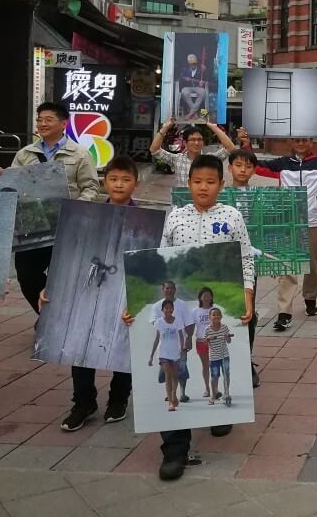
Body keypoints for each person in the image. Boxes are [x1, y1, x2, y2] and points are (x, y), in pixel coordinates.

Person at [147, 153, 255, 481]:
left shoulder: (232, 216)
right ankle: (175, 447)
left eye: (210, 182)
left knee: (218, 355)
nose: (203, 187)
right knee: (179, 360)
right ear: (188, 183)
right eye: (197, 181)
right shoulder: (175, 217)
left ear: (221, 184)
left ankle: (220, 409)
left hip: (219, 304)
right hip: (182, 306)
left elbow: (245, 257)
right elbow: (160, 258)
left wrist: (247, 295)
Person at [46, 155, 139, 431]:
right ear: (103, 182)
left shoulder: (145, 220)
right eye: (113, 179)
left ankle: (119, 399)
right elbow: (70, 252)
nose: (119, 184)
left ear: (135, 183)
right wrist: (51, 285)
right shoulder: (87, 216)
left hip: (125, 293)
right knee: (80, 343)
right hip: (89, 288)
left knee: (124, 344)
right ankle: (83, 401)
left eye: (125, 179)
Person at [256, 129, 317, 330]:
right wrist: (245, 145)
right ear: (292, 142)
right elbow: (255, 167)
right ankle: (284, 313)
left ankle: (310, 298)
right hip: (288, 224)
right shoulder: (282, 164)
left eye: (305, 140)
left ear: (311, 142)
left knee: (312, 267)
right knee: (287, 268)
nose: (301, 143)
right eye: (297, 140)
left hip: (314, 223)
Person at [10, 101, 100, 313]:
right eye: (39, 120)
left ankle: (59, 320)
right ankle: (48, 316)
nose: (42, 124)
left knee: (65, 275)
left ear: (63, 123)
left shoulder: (79, 154)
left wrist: (75, 209)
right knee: (27, 274)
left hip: (67, 226)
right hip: (34, 227)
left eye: (48, 120)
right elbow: (13, 184)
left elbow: (90, 187)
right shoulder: (25, 154)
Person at [226, 148, 262, 386]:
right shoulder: (221, 194)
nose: (243, 170)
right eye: (238, 165)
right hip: (223, 261)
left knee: (248, 311)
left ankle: (245, 360)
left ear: (254, 170)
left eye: (248, 166)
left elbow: (264, 226)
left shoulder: (258, 196)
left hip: (248, 262)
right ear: (230, 168)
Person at [150, 119, 237, 189]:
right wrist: (164, 128)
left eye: (199, 140)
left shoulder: (210, 159)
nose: (196, 143)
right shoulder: (177, 159)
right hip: (183, 202)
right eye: (192, 140)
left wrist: (214, 128)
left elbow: (231, 148)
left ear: (203, 142)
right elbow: (154, 150)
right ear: (185, 143)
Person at [148, 281, 195, 404]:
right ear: (163, 289)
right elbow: (155, 323)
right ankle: (170, 394)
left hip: (180, 344)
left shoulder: (183, 305)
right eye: (167, 288)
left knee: (182, 368)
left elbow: (189, 323)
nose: (169, 290)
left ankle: (182, 393)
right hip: (165, 345)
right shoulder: (156, 306)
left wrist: (189, 338)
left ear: (175, 290)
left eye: (171, 288)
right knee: (168, 372)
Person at [149, 300, 186, 412]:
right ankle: (170, 402)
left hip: (175, 353)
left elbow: (181, 336)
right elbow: (157, 339)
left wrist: (182, 350)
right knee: (168, 375)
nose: (168, 310)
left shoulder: (178, 321)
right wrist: (151, 356)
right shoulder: (159, 322)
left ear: (173, 309)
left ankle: (174, 395)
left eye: (170, 307)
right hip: (163, 353)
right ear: (162, 310)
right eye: (166, 308)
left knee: (175, 376)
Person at [205, 307, 233, 406]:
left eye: (218, 314)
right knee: (214, 376)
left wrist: (227, 337)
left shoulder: (224, 327)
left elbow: (229, 341)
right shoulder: (207, 329)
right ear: (209, 317)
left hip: (224, 355)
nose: (216, 316)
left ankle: (226, 392)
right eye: (214, 315)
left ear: (221, 316)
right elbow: (205, 342)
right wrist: (208, 338)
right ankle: (213, 395)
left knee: (226, 374)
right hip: (214, 357)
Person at [192, 288, 215, 401]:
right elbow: (191, 327)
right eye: (204, 296)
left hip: (214, 342)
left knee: (214, 365)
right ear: (200, 298)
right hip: (201, 341)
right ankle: (207, 388)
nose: (206, 298)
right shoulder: (195, 311)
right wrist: (187, 339)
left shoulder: (214, 310)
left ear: (211, 297)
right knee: (206, 366)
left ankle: (215, 389)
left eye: (208, 296)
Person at [178, 53, 210, 119]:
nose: (193, 65)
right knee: (184, 91)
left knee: (203, 92)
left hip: (198, 87)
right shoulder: (184, 70)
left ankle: (191, 113)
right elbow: (180, 78)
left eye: (194, 64)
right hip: (187, 87)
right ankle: (194, 113)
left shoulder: (201, 70)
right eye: (191, 64)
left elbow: (207, 80)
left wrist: (202, 82)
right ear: (189, 64)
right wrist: (185, 80)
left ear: (196, 64)